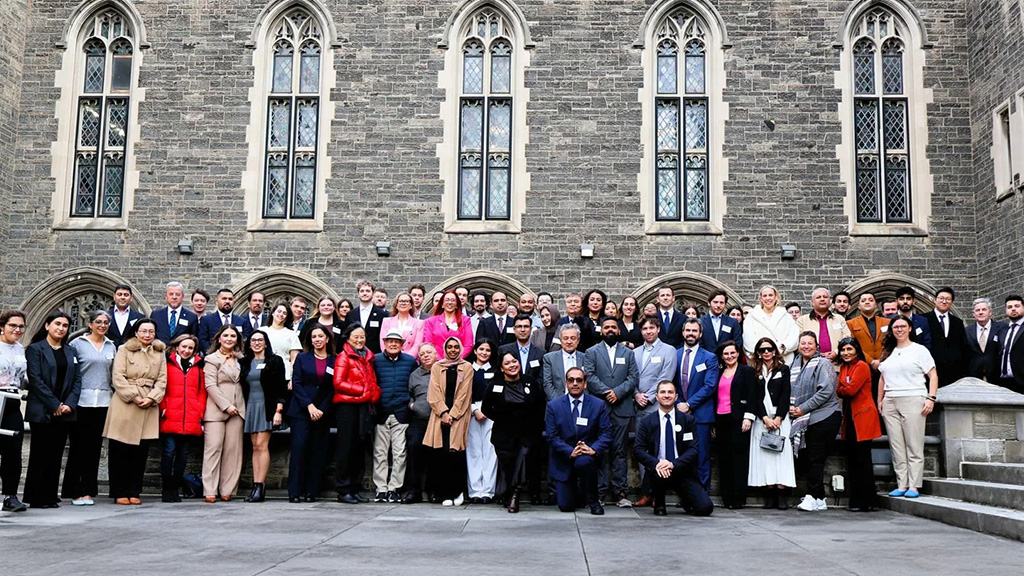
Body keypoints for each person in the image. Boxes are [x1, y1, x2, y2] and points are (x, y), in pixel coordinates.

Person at [103, 317, 166, 505]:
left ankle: (134, 490)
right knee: (120, 450)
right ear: (136, 332)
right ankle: (119, 491)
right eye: (143, 331)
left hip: (148, 403)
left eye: (151, 332)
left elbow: (162, 380)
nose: (147, 335)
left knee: (140, 453)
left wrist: (152, 397)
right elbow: (118, 377)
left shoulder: (159, 353)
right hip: (126, 403)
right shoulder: (124, 350)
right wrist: (134, 396)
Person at [632, 381, 714, 517]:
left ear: (676, 397)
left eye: (670, 392)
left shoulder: (688, 420)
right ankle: (659, 501)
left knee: (705, 508)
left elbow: (693, 449)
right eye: (663, 392)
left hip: (682, 470)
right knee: (660, 474)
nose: (666, 395)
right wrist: (657, 463)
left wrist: (672, 464)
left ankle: (686, 499)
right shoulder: (647, 422)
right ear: (657, 396)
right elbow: (638, 450)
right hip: (658, 471)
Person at [23, 311, 79, 509]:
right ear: (47, 325)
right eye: (57, 324)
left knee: (55, 454)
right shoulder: (35, 349)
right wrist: (54, 404)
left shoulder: (70, 351)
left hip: (64, 410)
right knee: (40, 453)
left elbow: (76, 381)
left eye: (65, 325)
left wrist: (68, 405)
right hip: (42, 409)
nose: (61, 328)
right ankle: (36, 496)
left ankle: (50, 494)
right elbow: (36, 381)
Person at [877, 315, 938, 498]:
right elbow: (882, 377)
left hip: (913, 398)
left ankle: (914, 485)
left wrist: (931, 398)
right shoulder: (889, 351)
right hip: (890, 401)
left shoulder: (919, 350)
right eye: (895, 327)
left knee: (914, 444)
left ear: (910, 328)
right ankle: (901, 484)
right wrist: (880, 400)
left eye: (903, 326)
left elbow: (933, 376)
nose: (899, 329)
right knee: (896, 446)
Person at [583, 316, 639, 507]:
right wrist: (607, 392)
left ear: (619, 330)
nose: (610, 330)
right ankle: (599, 492)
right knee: (600, 450)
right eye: (606, 327)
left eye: (613, 327)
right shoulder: (591, 352)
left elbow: (633, 377)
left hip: (621, 408)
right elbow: (588, 376)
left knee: (620, 451)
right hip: (599, 407)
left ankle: (620, 492)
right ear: (601, 330)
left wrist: (618, 392)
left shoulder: (628, 353)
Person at [63, 311, 116, 505]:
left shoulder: (111, 346)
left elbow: (112, 374)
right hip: (81, 401)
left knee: (94, 449)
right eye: (98, 322)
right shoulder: (77, 345)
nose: (102, 325)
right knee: (78, 448)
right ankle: (74, 489)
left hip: (103, 402)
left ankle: (88, 490)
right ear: (90, 324)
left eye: (106, 322)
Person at [483, 351, 547, 513]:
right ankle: (508, 492)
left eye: (514, 361)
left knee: (522, 459)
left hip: (527, 433)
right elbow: (486, 408)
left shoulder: (530, 382)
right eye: (507, 363)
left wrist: (536, 426)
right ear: (502, 368)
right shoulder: (495, 385)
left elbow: (540, 405)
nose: (512, 365)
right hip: (503, 434)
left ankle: (515, 495)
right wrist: (502, 419)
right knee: (507, 465)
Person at [545, 366, 611, 515]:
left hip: (587, 456)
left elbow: (606, 433)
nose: (575, 383)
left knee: (585, 462)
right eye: (571, 380)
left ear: (585, 384)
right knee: (566, 506)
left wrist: (592, 449)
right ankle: (577, 492)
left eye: (579, 380)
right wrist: (571, 451)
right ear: (566, 384)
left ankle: (593, 500)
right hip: (564, 459)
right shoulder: (553, 406)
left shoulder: (597, 404)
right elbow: (551, 436)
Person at [789, 332, 841, 512]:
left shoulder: (823, 363)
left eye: (810, 343)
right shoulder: (794, 364)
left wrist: (802, 408)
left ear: (817, 346)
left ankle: (812, 495)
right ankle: (820, 498)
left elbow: (826, 391)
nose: (806, 346)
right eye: (802, 343)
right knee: (809, 457)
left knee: (815, 457)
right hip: (806, 418)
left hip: (824, 416)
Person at [286, 324, 336, 503]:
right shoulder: (302, 358)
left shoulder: (334, 360)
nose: (317, 339)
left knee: (318, 452)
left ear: (327, 338)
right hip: (301, 411)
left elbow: (332, 388)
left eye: (320, 336)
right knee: (299, 450)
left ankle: (311, 492)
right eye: (314, 337)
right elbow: (297, 383)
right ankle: (294, 492)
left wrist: (321, 408)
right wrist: (309, 406)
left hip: (322, 413)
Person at [631, 316, 677, 507]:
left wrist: (649, 397)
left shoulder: (669, 351)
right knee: (643, 450)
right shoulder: (635, 352)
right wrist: (635, 395)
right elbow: (631, 376)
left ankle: (660, 493)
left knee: (660, 448)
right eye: (645, 329)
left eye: (652, 328)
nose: (648, 331)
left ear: (658, 329)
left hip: (657, 405)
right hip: (638, 406)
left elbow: (665, 377)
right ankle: (647, 492)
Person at [332, 325, 380, 504]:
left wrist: (374, 392)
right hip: (347, 407)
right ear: (348, 338)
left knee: (359, 448)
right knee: (346, 448)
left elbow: (372, 380)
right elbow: (338, 382)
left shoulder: (367, 357)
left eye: (362, 337)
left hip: (364, 407)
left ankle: (354, 487)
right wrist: (362, 391)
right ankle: (343, 490)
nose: (360, 340)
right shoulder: (343, 356)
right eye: (356, 337)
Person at [424, 337, 473, 506]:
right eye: (449, 347)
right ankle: (444, 493)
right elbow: (434, 392)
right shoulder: (437, 367)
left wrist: (453, 414)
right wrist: (443, 413)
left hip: (458, 417)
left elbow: (465, 394)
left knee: (456, 454)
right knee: (441, 455)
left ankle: (457, 491)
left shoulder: (467, 367)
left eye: (455, 347)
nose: (453, 350)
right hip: (439, 417)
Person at [748, 337, 795, 509]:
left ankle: (781, 494)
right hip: (763, 419)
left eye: (769, 349)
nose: (766, 352)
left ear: (774, 351)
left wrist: (778, 418)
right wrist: (765, 418)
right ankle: (769, 494)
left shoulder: (783, 369)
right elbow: (754, 397)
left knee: (781, 455)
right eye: (762, 350)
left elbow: (785, 394)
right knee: (765, 456)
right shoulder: (754, 371)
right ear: (758, 354)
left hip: (780, 418)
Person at [239, 329, 287, 503]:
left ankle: (261, 486)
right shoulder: (244, 362)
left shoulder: (275, 361)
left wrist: (278, 411)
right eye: (253, 340)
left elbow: (281, 387)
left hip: (267, 407)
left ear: (266, 343)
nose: (257, 343)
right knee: (254, 446)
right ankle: (255, 486)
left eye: (260, 340)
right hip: (250, 407)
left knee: (261, 445)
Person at [674, 318, 720, 493]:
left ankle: (702, 495)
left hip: (701, 414)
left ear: (700, 334)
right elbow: (670, 383)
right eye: (688, 330)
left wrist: (689, 404)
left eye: (694, 331)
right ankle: (686, 494)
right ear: (683, 332)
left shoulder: (709, 357)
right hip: (678, 413)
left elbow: (710, 386)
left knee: (701, 456)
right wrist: (679, 404)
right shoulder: (675, 355)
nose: (690, 334)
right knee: (683, 456)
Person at [371, 331, 417, 503]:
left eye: (396, 342)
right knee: (380, 453)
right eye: (389, 341)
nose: (393, 344)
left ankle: (394, 488)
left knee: (399, 453)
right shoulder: (375, 360)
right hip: (381, 412)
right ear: (384, 342)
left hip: (401, 412)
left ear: (402, 344)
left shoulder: (410, 361)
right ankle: (381, 488)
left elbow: (412, 386)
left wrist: (409, 404)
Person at [835, 337, 881, 512]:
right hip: (851, 417)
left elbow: (849, 390)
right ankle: (857, 500)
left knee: (863, 460)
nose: (846, 353)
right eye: (843, 350)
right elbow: (839, 390)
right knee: (853, 460)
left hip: (863, 417)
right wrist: (843, 388)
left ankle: (867, 501)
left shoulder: (861, 366)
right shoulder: (844, 367)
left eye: (849, 349)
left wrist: (843, 387)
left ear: (856, 350)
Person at [159, 334, 206, 503]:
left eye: (190, 348)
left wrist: (199, 412)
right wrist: (164, 408)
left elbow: (201, 392)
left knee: (183, 455)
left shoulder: (198, 367)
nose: (186, 351)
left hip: (191, 418)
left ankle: (176, 489)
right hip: (171, 416)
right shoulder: (167, 364)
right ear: (177, 347)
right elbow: (161, 387)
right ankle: (166, 488)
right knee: (168, 452)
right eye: (184, 347)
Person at [202, 324, 246, 503]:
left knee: (233, 452)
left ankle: (228, 489)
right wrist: (226, 406)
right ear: (219, 338)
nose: (229, 339)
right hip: (216, 409)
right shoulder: (211, 359)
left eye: (233, 336)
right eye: (226, 335)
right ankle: (209, 489)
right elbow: (210, 385)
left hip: (239, 408)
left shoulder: (241, 359)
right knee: (213, 448)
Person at [714, 340, 755, 509]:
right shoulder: (719, 372)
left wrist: (748, 417)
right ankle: (727, 498)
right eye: (726, 354)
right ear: (722, 357)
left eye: (732, 353)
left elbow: (753, 395)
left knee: (739, 458)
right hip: (721, 418)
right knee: (724, 459)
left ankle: (738, 498)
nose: (729, 356)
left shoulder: (746, 371)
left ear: (738, 353)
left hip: (739, 419)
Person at [0, 310, 29, 512]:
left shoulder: (19, 348)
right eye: (12, 326)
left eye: (20, 326)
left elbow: (21, 378)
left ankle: (10, 495)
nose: (17, 330)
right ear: (2, 326)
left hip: (13, 401)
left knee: (13, 451)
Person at [402, 343, 436, 503]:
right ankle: (413, 491)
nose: (426, 356)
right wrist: (411, 405)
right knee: (414, 448)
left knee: (435, 454)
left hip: (437, 420)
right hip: (418, 419)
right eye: (422, 354)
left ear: (436, 354)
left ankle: (432, 490)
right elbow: (409, 394)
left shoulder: (442, 371)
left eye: (429, 352)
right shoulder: (414, 375)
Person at [466, 339, 498, 503]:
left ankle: (487, 491)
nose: (484, 353)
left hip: (491, 413)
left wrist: (487, 410)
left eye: (488, 350)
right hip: (471, 412)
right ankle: (475, 491)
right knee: (473, 451)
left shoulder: (495, 370)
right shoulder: (467, 369)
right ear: (475, 350)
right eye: (481, 349)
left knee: (490, 451)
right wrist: (474, 409)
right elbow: (463, 393)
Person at [847, 291, 890, 398]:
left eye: (870, 300)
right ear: (858, 306)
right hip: (862, 366)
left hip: (884, 366)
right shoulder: (850, 324)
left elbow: (890, 343)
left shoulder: (887, 322)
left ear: (876, 304)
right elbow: (853, 345)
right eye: (863, 300)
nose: (867, 302)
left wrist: (881, 360)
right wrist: (871, 361)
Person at [743, 285, 800, 364]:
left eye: (770, 295)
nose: (768, 298)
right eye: (765, 296)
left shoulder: (786, 316)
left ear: (776, 297)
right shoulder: (751, 317)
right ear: (761, 298)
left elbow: (793, 336)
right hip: (760, 361)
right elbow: (748, 339)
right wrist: (763, 351)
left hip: (783, 360)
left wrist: (781, 348)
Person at [796, 287, 852, 363]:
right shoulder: (802, 320)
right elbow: (798, 342)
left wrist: (836, 352)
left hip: (836, 364)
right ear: (812, 302)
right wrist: (815, 354)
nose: (822, 299)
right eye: (818, 297)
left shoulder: (839, 319)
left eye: (825, 297)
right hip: (811, 365)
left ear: (830, 301)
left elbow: (847, 338)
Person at [926, 287, 967, 387]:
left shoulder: (958, 322)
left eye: (948, 299)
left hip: (953, 373)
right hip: (930, 371)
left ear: (952, 302)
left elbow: (963, 346)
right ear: (935, 300)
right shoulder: (924, 319)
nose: (944, 301)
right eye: (941, 298)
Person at [422, 290, 473, 358]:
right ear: (442, 304)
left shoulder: (465, 320)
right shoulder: (430, 322)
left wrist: (456, 359)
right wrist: (440, 361)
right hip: (437, 363)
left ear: (457, 305)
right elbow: (428, 344)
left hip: (459, 362)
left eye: (453, 300)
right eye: (447, 300)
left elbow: (468, 344)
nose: (450, 302)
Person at [965, 297, 1005, 382]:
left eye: (984, 309)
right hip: (974, 377)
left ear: (990, 312)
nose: (980, 312)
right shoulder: (966, 331)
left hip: (997, 377)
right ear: (973, 314)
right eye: (977, 310)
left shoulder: (1002, 328)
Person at [542, 324, 585, 401]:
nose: (569, 342)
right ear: (560, 340)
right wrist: (558, 403)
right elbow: (547, 384)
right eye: (565, 338)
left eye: (573, 338)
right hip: (557, 402)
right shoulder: (549, 358)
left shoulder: (585, 358)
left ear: (578, 340)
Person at [264, 302, 302, 384]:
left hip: (285, 375)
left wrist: (292, 379)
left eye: (284, 313)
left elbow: (294, 360)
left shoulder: (291, 334)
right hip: (264, 373)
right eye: (279, 311)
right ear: (273, 313)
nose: (281, 314)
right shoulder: (262, 331)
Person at [346, 280, 388, 354]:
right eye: (362, 291)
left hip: (375, 355)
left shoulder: (382, 315)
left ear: (373, 294)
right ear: (358, 294)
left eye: (368, 291)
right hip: (354, 355)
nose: (365, 293)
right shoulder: (350, 314)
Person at [499, 315, 545, 382]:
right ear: (514, 329)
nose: (523, 330)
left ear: (531, 329)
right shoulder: (503, 350)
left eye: (526, 326)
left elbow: (541, 379)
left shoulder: (540, 353)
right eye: (519, 327)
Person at [198, 289, 244, 353]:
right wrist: (214, 355)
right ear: (217, 301)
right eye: (224, 299)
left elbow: (243, 341)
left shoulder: (241, 321)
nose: (227, 301)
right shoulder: (206, 320)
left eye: (230, 299)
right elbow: (202, 341)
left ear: (234, 302)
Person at [999, 295, 1024, 394]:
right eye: (1009, 307)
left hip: (1021, 382)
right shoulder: (1003, 330)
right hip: (1003, 383)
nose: (1013, 309)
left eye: (1017, 306)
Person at [894, 286, 932, 351]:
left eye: (908, 299)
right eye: (902, 299)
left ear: (913, 301)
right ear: (896, 301)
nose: (905, 302)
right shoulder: (888, 320)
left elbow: (927, 345)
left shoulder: (922, 321)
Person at [108, 284, 144, 348]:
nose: (122, 297)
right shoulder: (105, 316)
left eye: (126, 295)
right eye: (119, 294)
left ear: (131, 298)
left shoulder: (140, 317)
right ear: (114, 296)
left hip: (131, 353)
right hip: (109, 353)